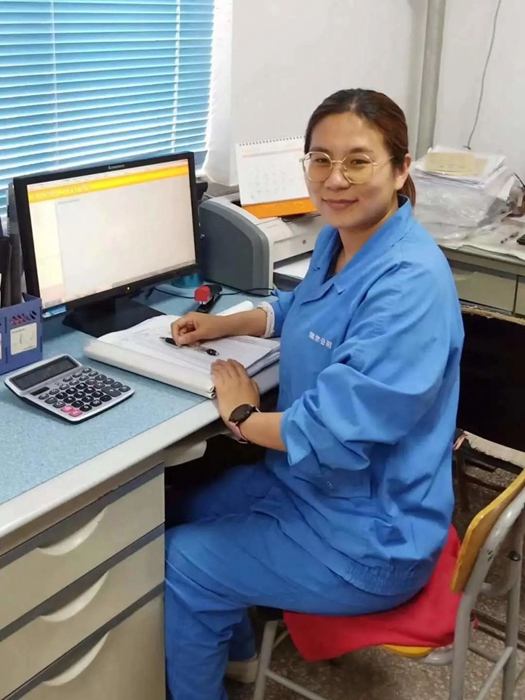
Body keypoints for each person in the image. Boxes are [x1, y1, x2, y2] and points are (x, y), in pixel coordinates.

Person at [164, 88, 464, 700]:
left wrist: (243, 414)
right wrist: (228, 324)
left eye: (358, 161)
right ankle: (237, 657)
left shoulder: (409, 283)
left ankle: (209, 656)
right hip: (307, 490)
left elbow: (332, 432)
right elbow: (303, 305)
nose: (335, 179)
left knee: (181, 559)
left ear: (400, 170)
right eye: (321, 159)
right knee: (179, 505)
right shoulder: (342, 237)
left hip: (370, 538)